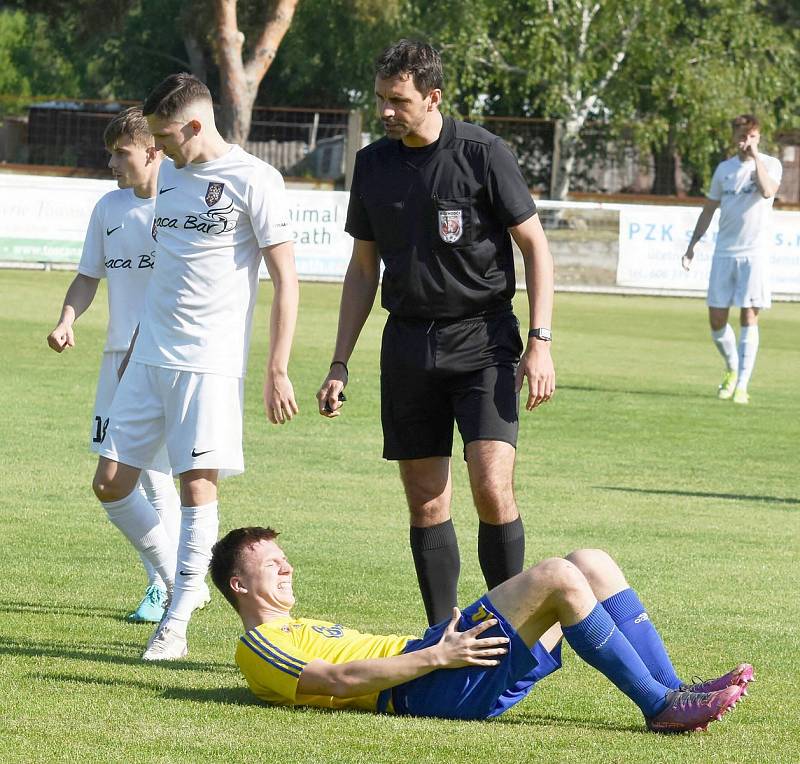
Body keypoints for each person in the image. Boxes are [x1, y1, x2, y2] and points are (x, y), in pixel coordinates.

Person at [316, 40, 556, 626]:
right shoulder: (373, 163)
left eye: (398, 101)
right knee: (426, 501)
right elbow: (361, 269)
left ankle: (512, 630)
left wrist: (540, 340)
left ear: (433, 96)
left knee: (491, 486)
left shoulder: (482, 152)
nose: (387, 111)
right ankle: (444, 636)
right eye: (380, 100)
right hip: (407, 345)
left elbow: (535, 246)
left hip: (484, 340)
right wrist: (338, 362)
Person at [91, 73, 300, 661]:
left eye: (165, 137)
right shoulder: (173, 177)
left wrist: (276, 368)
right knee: (110, 482)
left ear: (193, 126)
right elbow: (164, 270)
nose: (158, 151)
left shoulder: (255, 179)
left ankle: (177, 619)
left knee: (193, 487)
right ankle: (174, 576)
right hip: (148, 353)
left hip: (208, 363)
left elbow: (286, 280)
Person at [209, 525, 753, 732]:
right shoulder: (257, 646)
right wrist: (437, 656)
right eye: (271, 563)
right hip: (423, 685)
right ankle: (659, 706)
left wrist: (432, 643)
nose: (287, 567)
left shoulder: (303, 623)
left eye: (284, 559)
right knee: (559, 576)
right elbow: (337, 679)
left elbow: (364, 656)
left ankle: (672, 688)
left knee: (591, 562)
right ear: (238, 585)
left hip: (434, 662)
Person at [46, 107, 184, 624]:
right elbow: (88, 276)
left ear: (152, 151)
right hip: (114, 362)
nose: (110, 162)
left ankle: (168, 583)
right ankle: (168, 582)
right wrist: (66, 319)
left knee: (154, 473)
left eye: (119, 153)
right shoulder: (109, 208)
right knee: (141, 474)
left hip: (162, 359)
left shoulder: (179, 204)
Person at [682, 114, 782, 405]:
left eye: (750, 136)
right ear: (733, 136)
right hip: (724, 252)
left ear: (758, 137)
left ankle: (742, 385)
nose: (745, 141)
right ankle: (732, 367)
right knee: (716, 319)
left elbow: (767, 191)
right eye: (741, 135)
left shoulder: (770, 165)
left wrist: (755, 160)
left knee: (749, 314)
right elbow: (709, 209)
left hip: (755, 253)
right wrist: (692, 245)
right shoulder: (724, 169)